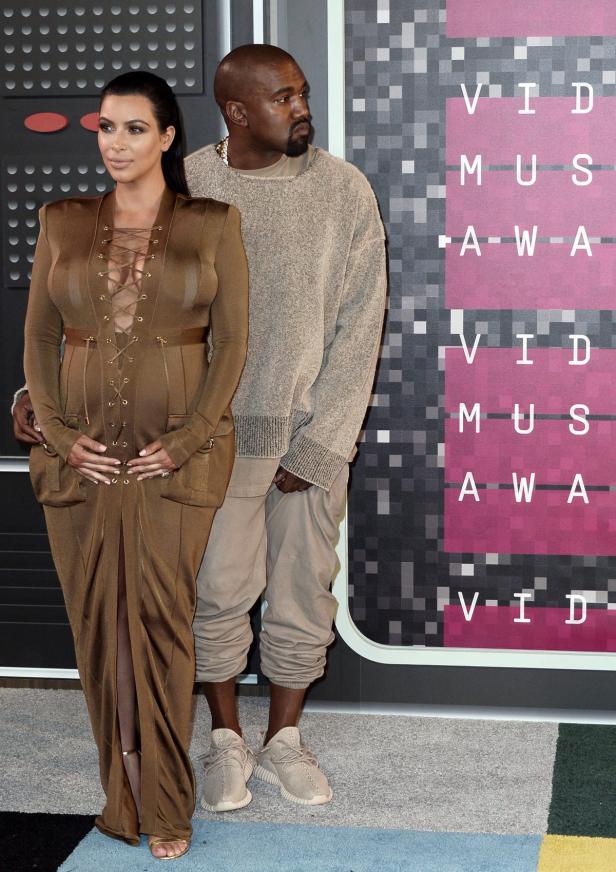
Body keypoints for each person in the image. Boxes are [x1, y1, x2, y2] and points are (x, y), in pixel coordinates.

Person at [14, 43, 386, 814]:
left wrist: (321, 443)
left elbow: (361, 323)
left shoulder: (344, 190)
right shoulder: (192, 184)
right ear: (237, 110)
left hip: (312, 435)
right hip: (210, 438)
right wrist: (42, 391)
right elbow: (115, 303)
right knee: (217, 594)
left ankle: (283, 739)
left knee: (302, 596)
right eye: (283, 97)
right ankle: (225, 738)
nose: (301, 108)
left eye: (302, 94)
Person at [21, 71, 248, 860]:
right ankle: (120, 798)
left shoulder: (214, 224)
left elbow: (233, 348)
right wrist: (52, 429)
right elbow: (40, 339)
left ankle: (167, 804)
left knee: (157, 624)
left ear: (166, 137)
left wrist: (186, 442)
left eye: (131, 129)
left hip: (171, 463)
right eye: (104, 129)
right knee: (98, 629)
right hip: (79, 459)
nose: (114, 144)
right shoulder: (62, 220)